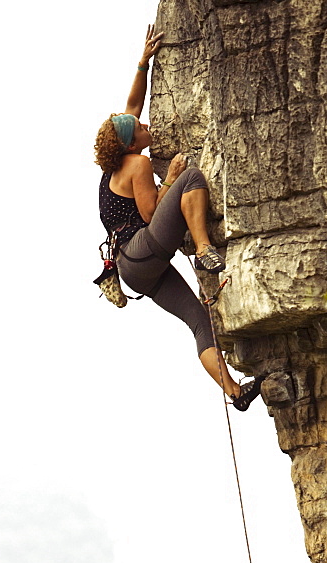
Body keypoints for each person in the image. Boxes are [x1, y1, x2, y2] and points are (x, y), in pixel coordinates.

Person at [94, 26, 264, 411]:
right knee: (190, 176)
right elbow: (152, 213)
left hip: (131, 268)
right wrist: (169, 178)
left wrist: (144, 62)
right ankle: (204, 247)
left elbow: (131, 107)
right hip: (142, 249)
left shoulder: (115, 166)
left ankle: (236, 394)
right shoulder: (137, 165)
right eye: (140, 130)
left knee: (200, 320)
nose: (145, 125)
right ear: (131, 144)